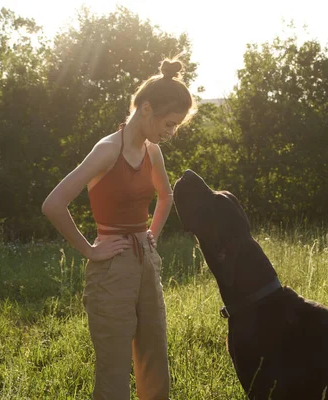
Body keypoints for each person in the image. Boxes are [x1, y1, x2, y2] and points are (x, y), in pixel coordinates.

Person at [42, 58, 197, 400]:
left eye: (176, 127)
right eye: (169, 124)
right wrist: (90, 250)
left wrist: (152, 233)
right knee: (113, 367)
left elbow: (166, 195)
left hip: (147, 260)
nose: (171, 134)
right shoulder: (106, 151)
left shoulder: (152, 151)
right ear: (146, 109)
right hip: (111, 268)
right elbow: (53, 204)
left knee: (154, 355)